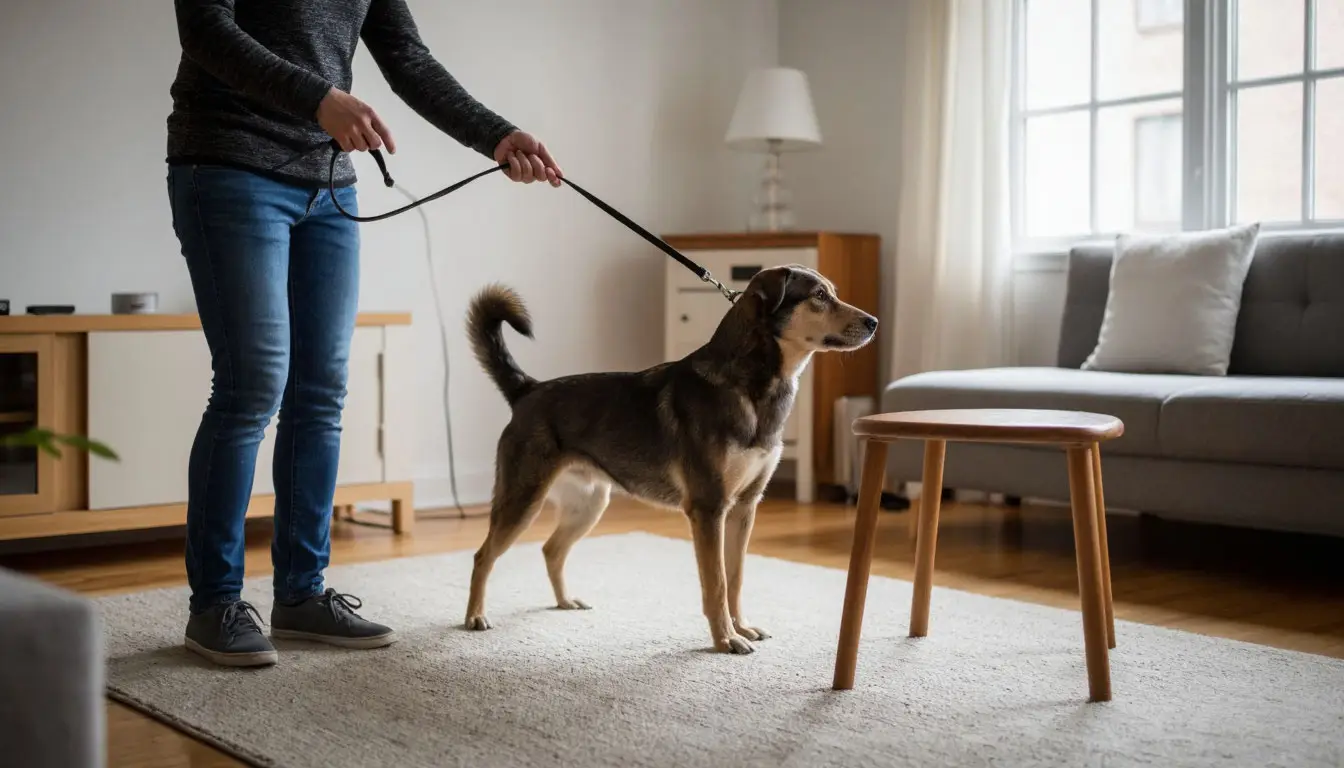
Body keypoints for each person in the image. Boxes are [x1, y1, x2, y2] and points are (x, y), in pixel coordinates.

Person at [166, 0, 561, 667]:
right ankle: (215, 604)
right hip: (228, 163)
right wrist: (319, 97)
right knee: (251, 386)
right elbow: (206, 30)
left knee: (321, 392)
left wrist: (495, 135)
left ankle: (301, 593)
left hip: (327, 181)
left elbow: (406, 57)